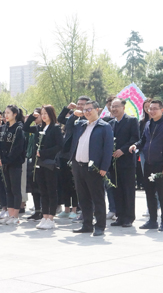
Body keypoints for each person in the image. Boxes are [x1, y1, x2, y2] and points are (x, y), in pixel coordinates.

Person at [130, 100, 163, 232]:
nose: (152, 111)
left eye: (155, 108)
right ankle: (152, 220)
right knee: (149, 194)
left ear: (162, 110)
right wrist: (136, 145)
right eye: (150, 109)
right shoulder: (148, 124)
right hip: (148, 164)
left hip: (161, 165)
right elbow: (143, 140)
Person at [70, 100, 114, 236]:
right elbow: (68, 128)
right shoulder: (81, 125)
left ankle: (100, 226)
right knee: (83, 198)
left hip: (94, 168)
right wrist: (74, 115)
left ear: (97, 110)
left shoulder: (104, 126)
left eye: (90, 109)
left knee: (97, 198)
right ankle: (87, 224)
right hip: (78, 166)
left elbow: (108, 149)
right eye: (85, 110)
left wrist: (104, 167)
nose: (87, 112)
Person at [25, 105, 63, 230]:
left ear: (51, 114)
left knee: (51, 191)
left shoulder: (55, 128)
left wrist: (44, 152)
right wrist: (32, 117)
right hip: (39, 164)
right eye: (42, 113)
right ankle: (44, 216)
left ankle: (51, 218)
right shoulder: (39, 127)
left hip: (50, 164)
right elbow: (25, 128)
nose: (44, 116)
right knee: (43, 191)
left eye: (46, 113)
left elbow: (59, 146)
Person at [108, 98, 140, 228]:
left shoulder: (131, 121)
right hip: (113, 163)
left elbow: (135, 138)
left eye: (117, 106)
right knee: (116, 190)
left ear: (123, 107)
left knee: (128, 190)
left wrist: (123, 150)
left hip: (127, 161)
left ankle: (129, 217)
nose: (114, 109)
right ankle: (120, 216)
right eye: (112, 106)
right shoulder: (110, 123)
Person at [57, 96, 90, 219]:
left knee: (75, 184)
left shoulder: (87, 120)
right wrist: (67, 109)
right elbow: (60, 119)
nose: (80, 106)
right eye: (78, 103)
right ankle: (66, 208)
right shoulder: (73, 117)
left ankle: (75, 209)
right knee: (65, 182)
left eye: (83, 104)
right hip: (65, 154)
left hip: (77, 154)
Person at [0, 105, 26, 226]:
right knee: (8, 189)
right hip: (5, 163)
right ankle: (10, 214)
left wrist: (8, 159)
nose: (6, 115)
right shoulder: (4, 127)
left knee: (15, 189)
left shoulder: (19, 128)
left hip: (15, 163)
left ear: (15, 114)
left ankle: (15, 216)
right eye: (5, 113)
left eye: (8, 113)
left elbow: (18, 148)